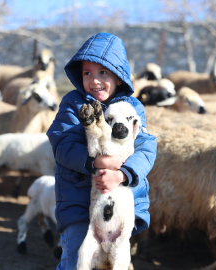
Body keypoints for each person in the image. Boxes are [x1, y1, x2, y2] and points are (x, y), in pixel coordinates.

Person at [47, 32, 157, 270]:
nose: (94, 80)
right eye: (87, 73)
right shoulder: (73, 103)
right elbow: (62, 143)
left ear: (118, 76)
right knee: (76, 259)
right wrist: (94, 163)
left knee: (116, 261)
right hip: (77, 199)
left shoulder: (132, 107)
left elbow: (146, 147)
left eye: (102, 72)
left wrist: (123, 174)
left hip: (119, 202)